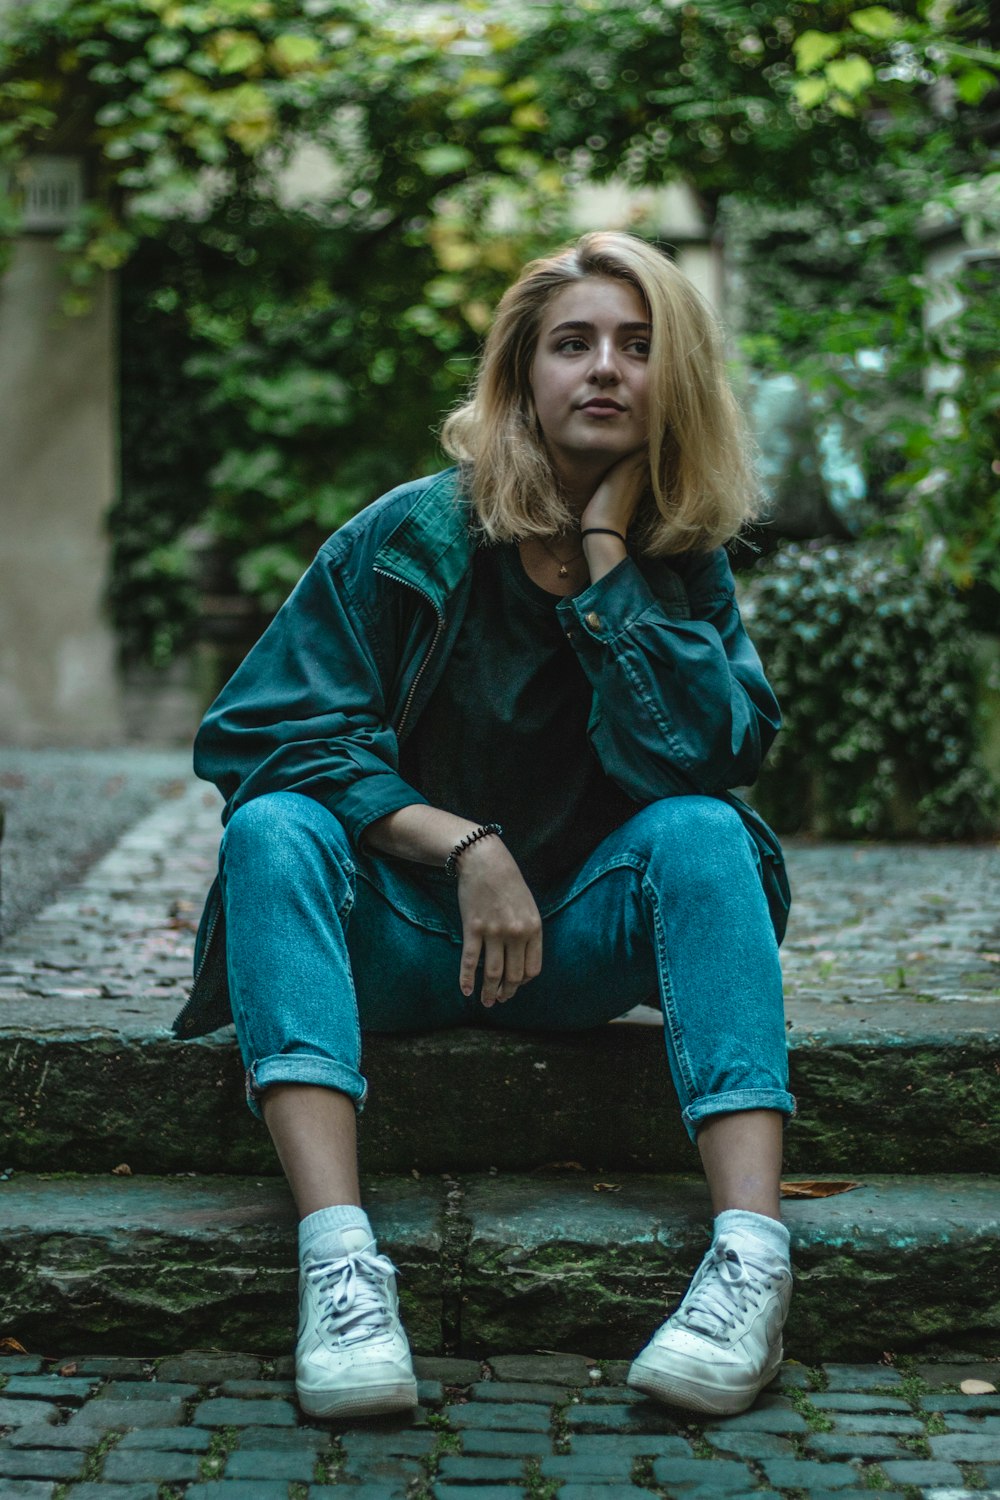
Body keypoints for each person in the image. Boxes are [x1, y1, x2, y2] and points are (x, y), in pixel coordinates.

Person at [174, 230, 795, 1423]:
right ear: (521, 377)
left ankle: (750, 1263)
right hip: (398, 945)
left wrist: (614, 560)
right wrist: (461, 844)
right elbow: (256, 734)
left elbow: (710, 755)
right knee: (272, 832)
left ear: (678, 383)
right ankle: (341, 1266)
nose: (605, 368)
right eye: (573, 345)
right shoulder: (410, 537)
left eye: (638, 345)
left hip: (574, 948)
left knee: (706, 834)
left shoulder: (678, 560)